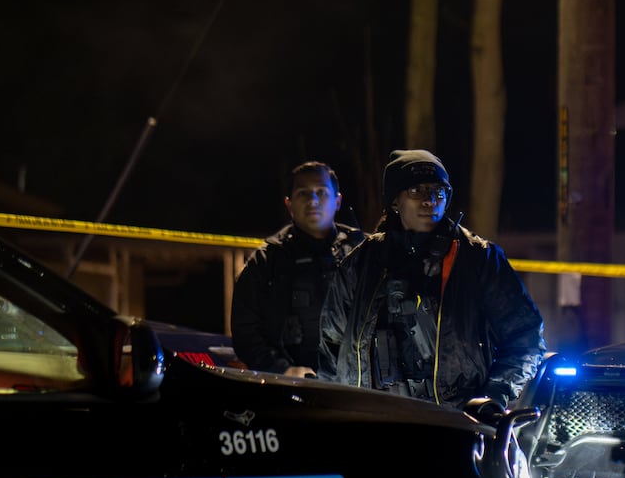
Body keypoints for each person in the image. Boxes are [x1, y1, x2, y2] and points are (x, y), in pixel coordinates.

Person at [317, 149, 545, 420]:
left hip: (454, 426)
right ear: (394, 202)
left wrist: (493, 395)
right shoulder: (361, 263)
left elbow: (526, 336)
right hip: (372, 425)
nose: (429, 201)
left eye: (439, 192)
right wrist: (333, 414)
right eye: (416, 191)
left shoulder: (478, 259)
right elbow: (331, 345)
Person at [231, 161, 364, 376]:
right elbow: (246, 332)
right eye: (303, 193)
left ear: (337, 200)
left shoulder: (363, 252)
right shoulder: (267, 260)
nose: (312, 201)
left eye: (321, 192)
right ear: (289, 204)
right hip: (291, 385)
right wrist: (283, 370)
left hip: (357, 383)